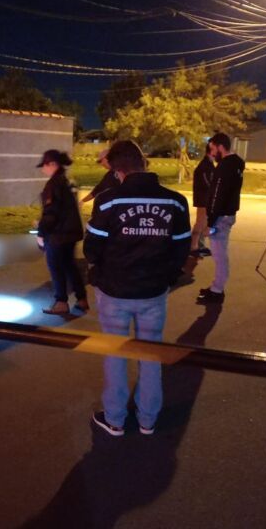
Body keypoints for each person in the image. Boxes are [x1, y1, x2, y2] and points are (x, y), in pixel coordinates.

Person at [83, 140, 191, 436]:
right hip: (154, 293)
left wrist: (102, 269)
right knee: (150, 354)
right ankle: (147, 420)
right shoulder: (175, 201)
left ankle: (115, 419)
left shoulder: (108, 200)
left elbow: (92, 249)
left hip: (114, 292)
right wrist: (167, 277)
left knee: (115, 354)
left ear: (118, 170)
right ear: (144, 163)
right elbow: (182, 248)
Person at [36, 149, 88, 315]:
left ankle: (61, 303)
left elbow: (51, 214)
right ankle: (81, 299)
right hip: (71, 233)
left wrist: (41, 233)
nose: (43, 169)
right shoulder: (67, 181)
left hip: (58, 235)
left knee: (56, 268)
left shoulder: (53, 184)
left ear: (52, 164)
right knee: (70, 267)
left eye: (44, 165)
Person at [197, 132, 244, 304]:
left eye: (213, 148)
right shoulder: (237, 163)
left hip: (221, 217)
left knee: (219, 255)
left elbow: (217, 195)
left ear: (220, 146)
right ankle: (216, 286)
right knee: (220, 254)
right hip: (228, 214)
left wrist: (210, 222)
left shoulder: (225, 166)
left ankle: (217, 291)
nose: (212, 152)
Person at [190, 142, 216, 257]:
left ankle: (200, 245)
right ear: (211, 150)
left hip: (206, 198)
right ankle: (193, 246)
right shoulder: (205, 166)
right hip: (203, 198)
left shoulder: (209, 164)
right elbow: (208, 183)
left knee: (204, 222)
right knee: (200, 222)